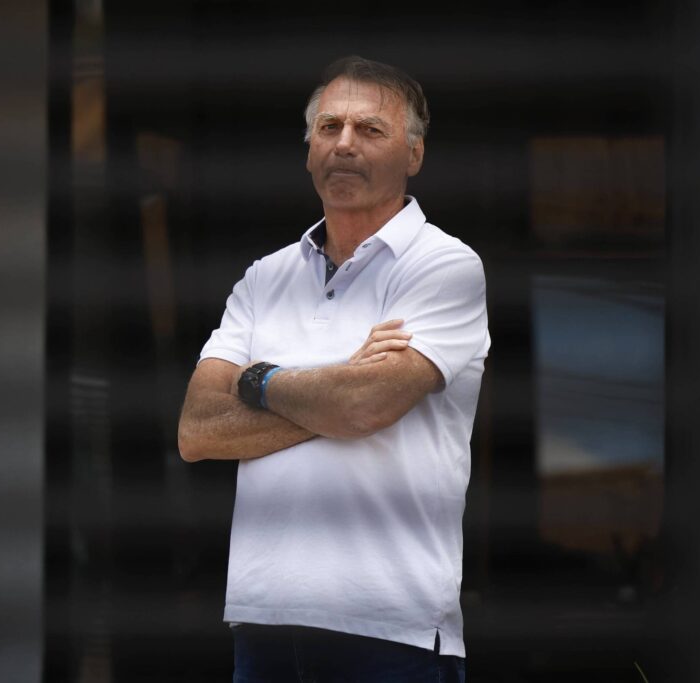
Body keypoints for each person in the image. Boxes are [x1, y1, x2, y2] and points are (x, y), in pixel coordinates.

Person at [177, 55, 489, 683]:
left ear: (414, 153)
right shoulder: (264, 277)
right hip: (263, 619)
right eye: (329, 127)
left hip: (392, 625)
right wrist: (342, 387)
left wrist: (258, 380)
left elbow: (364, 404)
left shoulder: (444, 266)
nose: (344, 143)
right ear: (309, 149)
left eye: (370, 129)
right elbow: (197, 430)